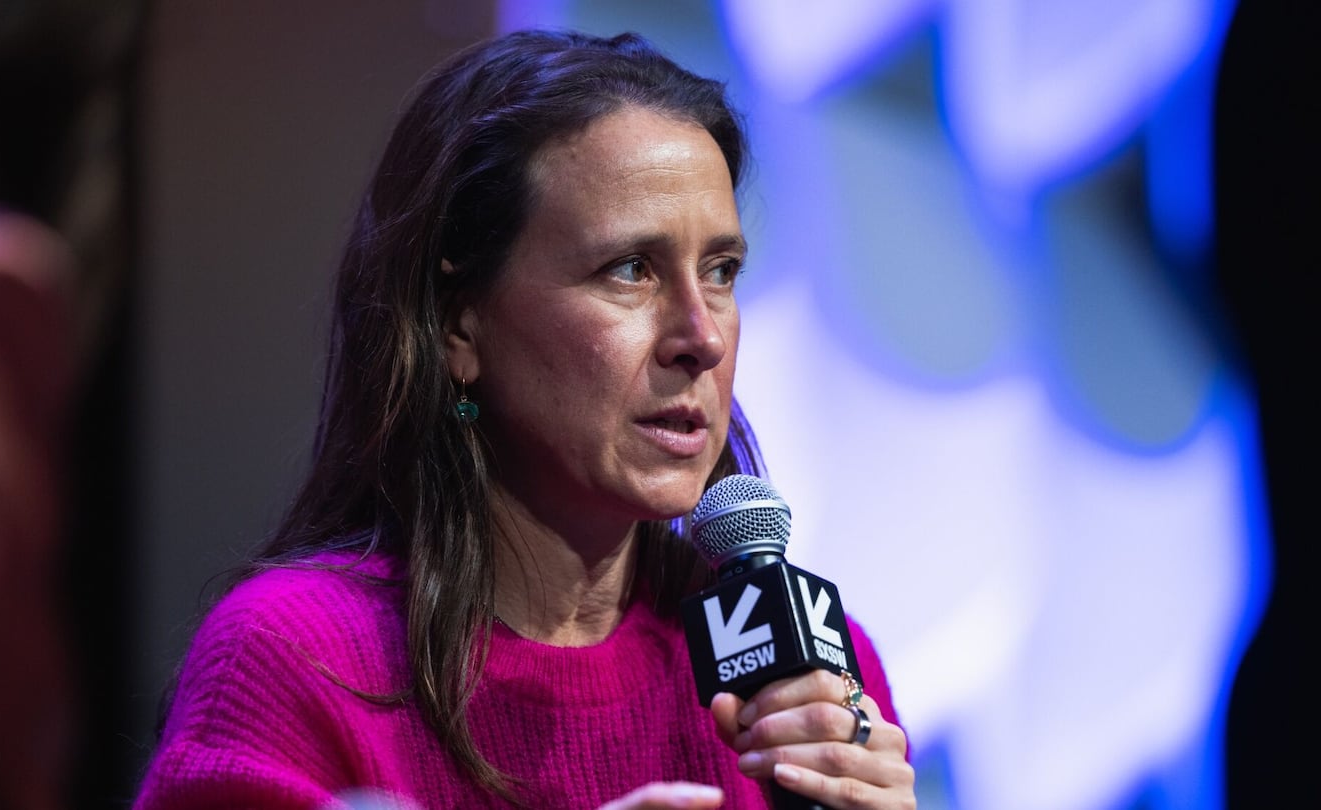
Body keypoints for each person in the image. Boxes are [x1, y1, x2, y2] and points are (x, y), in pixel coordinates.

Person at [134, 29, 916, 810]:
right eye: (631, 270)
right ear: (458, 326)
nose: (702, 338)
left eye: (721, 272)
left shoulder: (810, 677)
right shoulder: (294, 659)